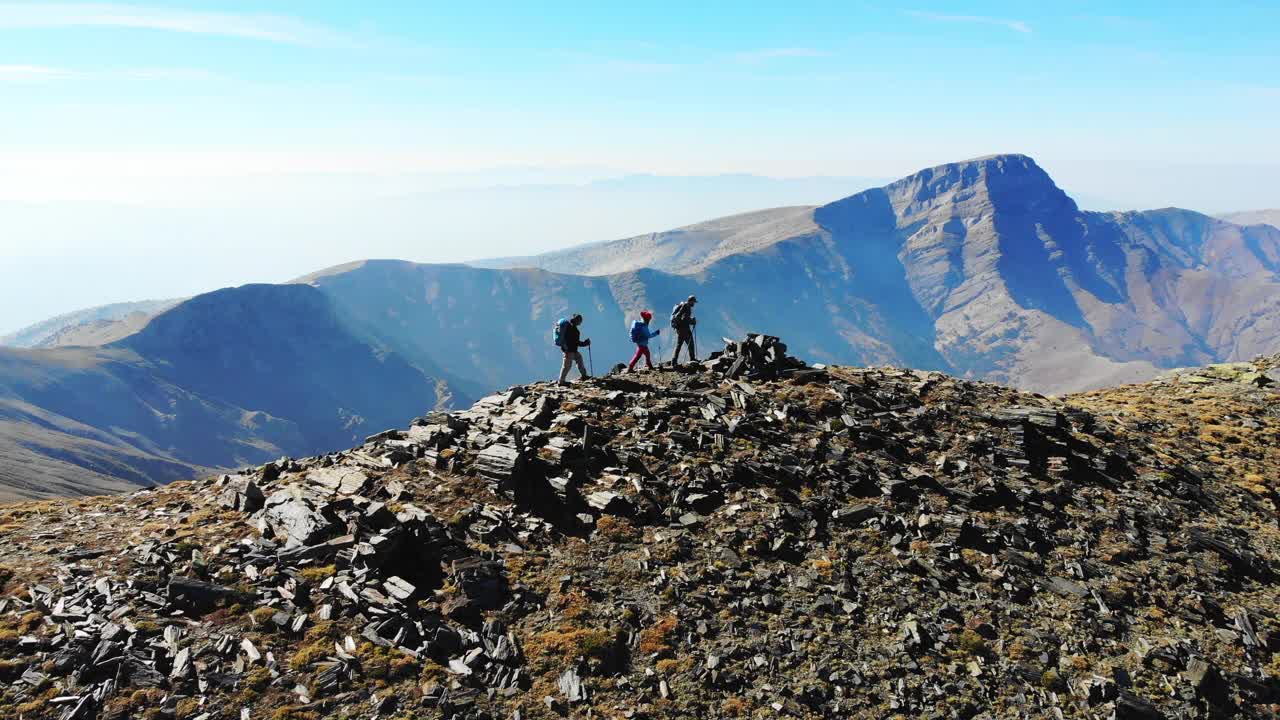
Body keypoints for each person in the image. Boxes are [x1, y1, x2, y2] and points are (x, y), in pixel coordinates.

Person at [557, 314, 591, 385]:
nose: (580, 323)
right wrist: (586, 343)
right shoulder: (574, 329)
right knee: (567, 366)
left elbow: (574, 341)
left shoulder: (569, 326)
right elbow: (576, 342)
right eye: (580, 321)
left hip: (571, 350)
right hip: (569, 351)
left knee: (579, 359)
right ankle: (561, 382)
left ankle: (584, 376)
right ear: (577, 320)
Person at [670, 295, 698, 364]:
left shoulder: (684, 305)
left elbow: (682, 317)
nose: (694, 304)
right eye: (693, 302)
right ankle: (692, 359)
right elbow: (685, 319)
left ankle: (674, 360)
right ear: (691, 301)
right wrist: (692, 321)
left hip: (680, 329)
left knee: (679, 344)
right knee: (690, 343)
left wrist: (691, 320)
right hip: (684, 329)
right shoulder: (687, 307)